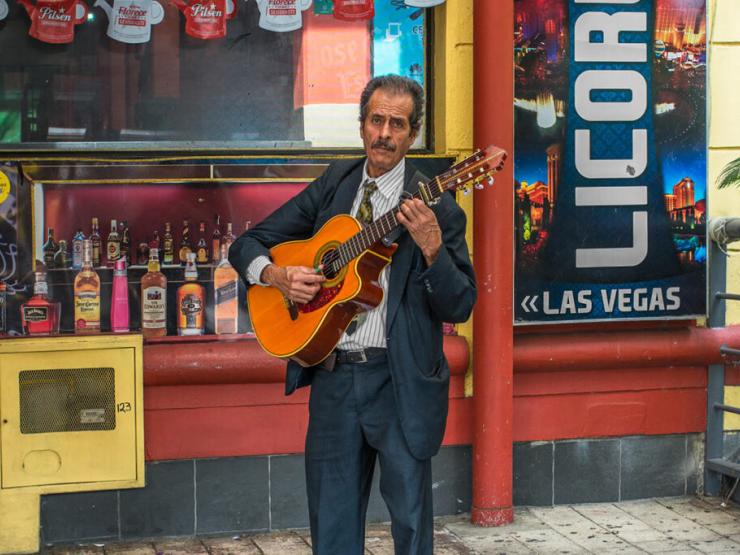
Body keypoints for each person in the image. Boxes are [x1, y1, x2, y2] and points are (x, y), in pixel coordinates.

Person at [229, 74, 476, 555]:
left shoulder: (437, 204)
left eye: (397, 124)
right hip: (334, 379)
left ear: (414, 133)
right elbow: (248, 243)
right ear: (362, 125)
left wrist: (431, 251)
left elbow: (460, 302)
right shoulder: (335, 183)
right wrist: (276, 278)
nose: (385, 133)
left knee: (410, 522)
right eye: (376, 120)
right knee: (332, 521)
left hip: (399, 380)